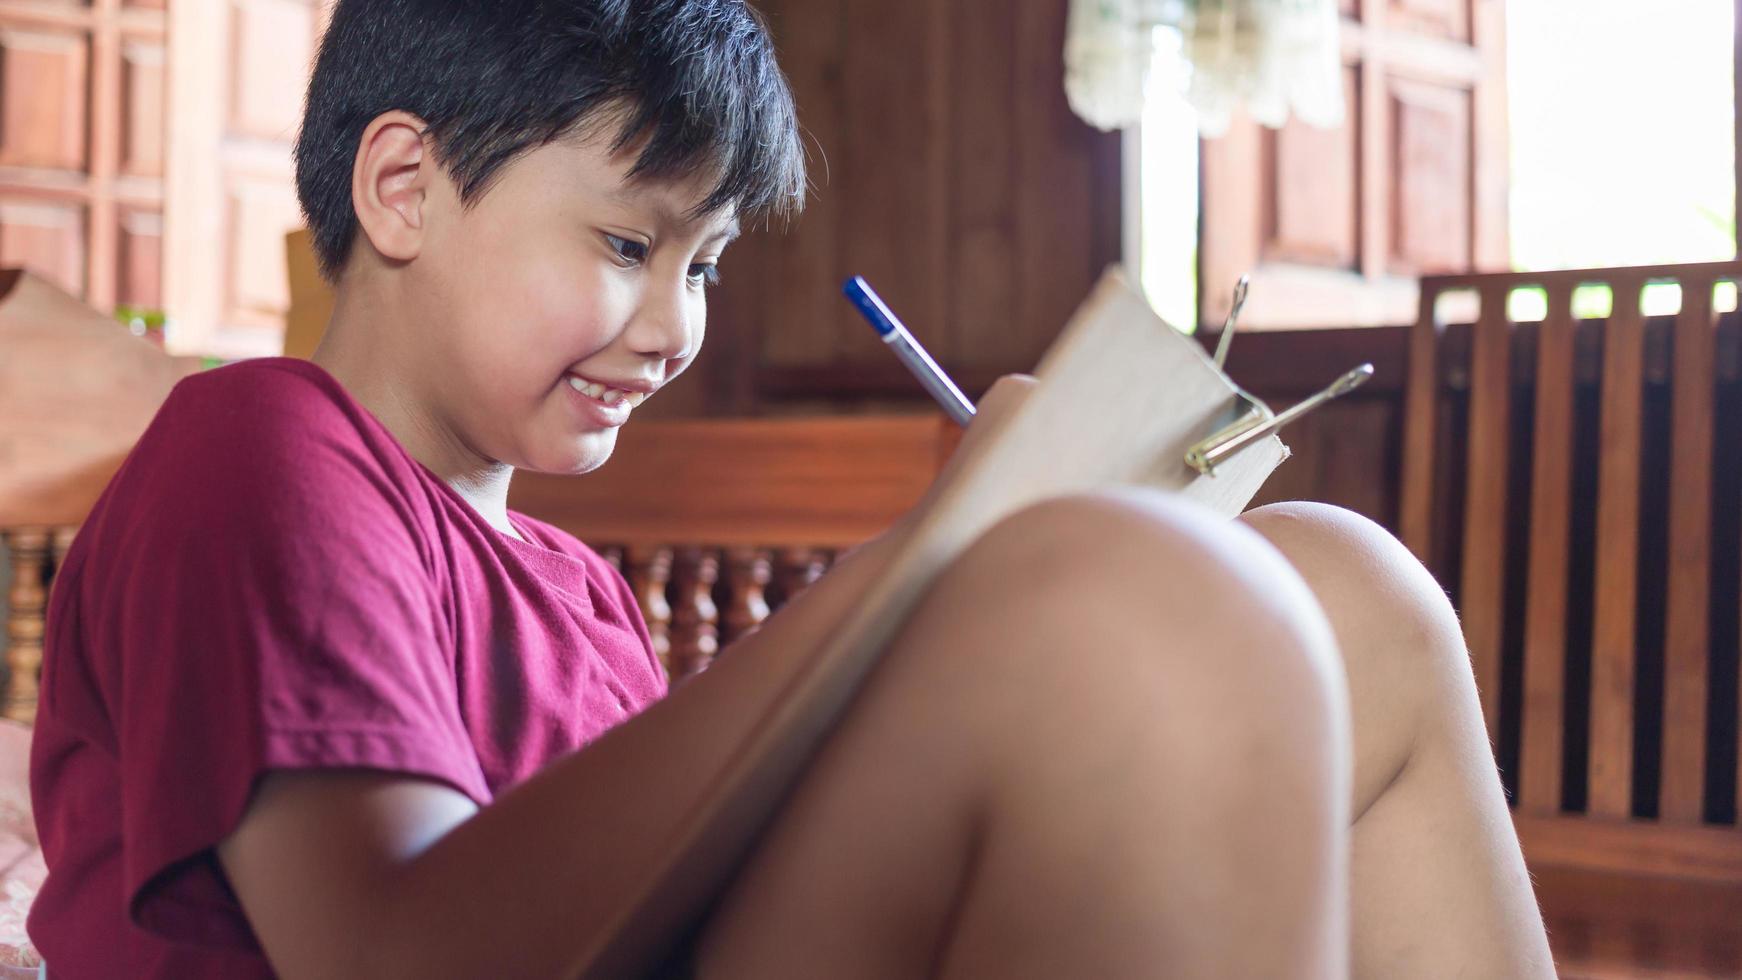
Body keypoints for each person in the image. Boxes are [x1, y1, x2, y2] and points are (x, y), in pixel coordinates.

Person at [27, 1, 1557, 976]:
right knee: (1123, 607)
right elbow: (388, 947)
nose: (674, 326)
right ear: (403, 187)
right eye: (627, 246)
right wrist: (928, 562)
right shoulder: (260, 448)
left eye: (702, 266)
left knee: (1347, 586)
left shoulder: (571, 590)